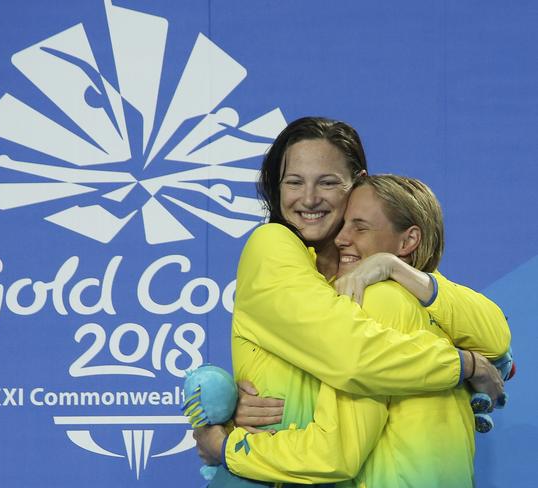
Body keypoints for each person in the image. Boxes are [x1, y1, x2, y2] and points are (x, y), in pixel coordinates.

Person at [192, 117, 509, 487]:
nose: (309, 198)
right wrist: (464, 365)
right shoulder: (271, 245)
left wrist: (396, 268)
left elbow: (498, 337)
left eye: (327, 182)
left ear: (356, 183)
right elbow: (352, 356)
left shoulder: (383, 286)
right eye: (293, 182)